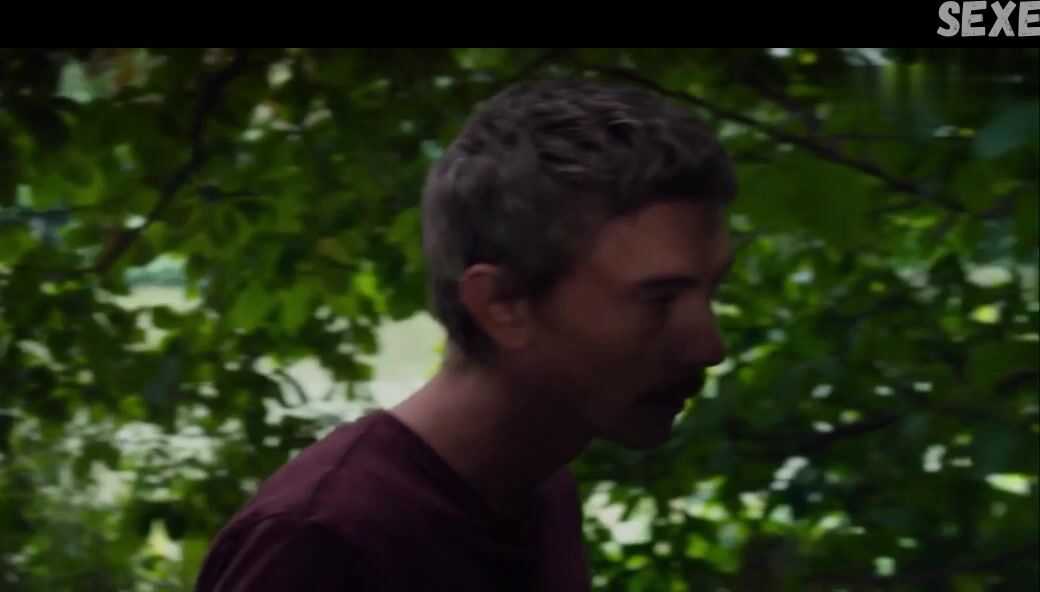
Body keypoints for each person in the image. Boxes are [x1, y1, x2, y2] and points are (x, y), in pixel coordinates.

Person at [194, 77, 738, 591]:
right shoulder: (322, 541)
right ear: (501, 305)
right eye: (657, 301)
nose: (709, 346)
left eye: (710, 291)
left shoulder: (536, 487)